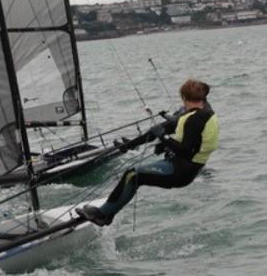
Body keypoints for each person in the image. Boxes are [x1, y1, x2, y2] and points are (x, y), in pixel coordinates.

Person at [76, 79, 219, 226]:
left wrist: (164, 137)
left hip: (181, 171)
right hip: (181, 166)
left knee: (132, 175)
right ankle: (106, 213)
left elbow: (186, 151)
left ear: (184, 97)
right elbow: (162, 135)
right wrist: (134, 145)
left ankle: (103, 214)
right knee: (133, 175)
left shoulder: (194, 119)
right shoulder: (205, 113)